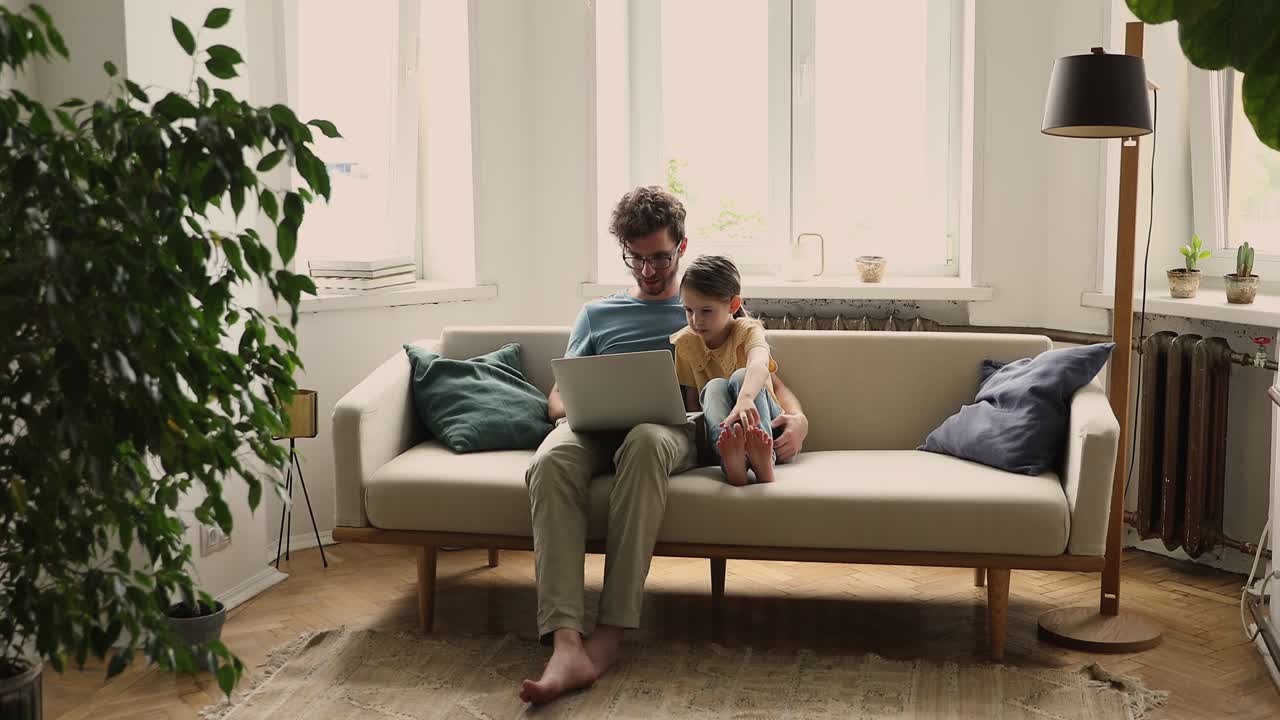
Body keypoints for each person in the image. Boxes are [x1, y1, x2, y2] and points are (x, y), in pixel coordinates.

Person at [519, 186, 810, 705]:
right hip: (592, 427)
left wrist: (799, 416)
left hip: (666, 430)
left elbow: (759, 370)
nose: (649, 270)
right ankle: (564, 642)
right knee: (551, 458)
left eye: (659, 256)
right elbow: (556, 397)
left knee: (647, 441)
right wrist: (578, 405)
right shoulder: (596, 315)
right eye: (636, 258)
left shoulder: (702, 304)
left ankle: (609, 634)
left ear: (681, 246)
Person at [671, 255, 784, 486]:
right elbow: (693, 405)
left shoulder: (748, 330)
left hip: (769, 426)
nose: (695, 320)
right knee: (713, 387)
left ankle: (764, 457)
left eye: (706, 311)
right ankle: (732, 462)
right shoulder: (686, 343)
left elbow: (759, 364)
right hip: (723, 433)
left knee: (741, 376)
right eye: (688, 310)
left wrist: (745, 398)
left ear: (733, 305)